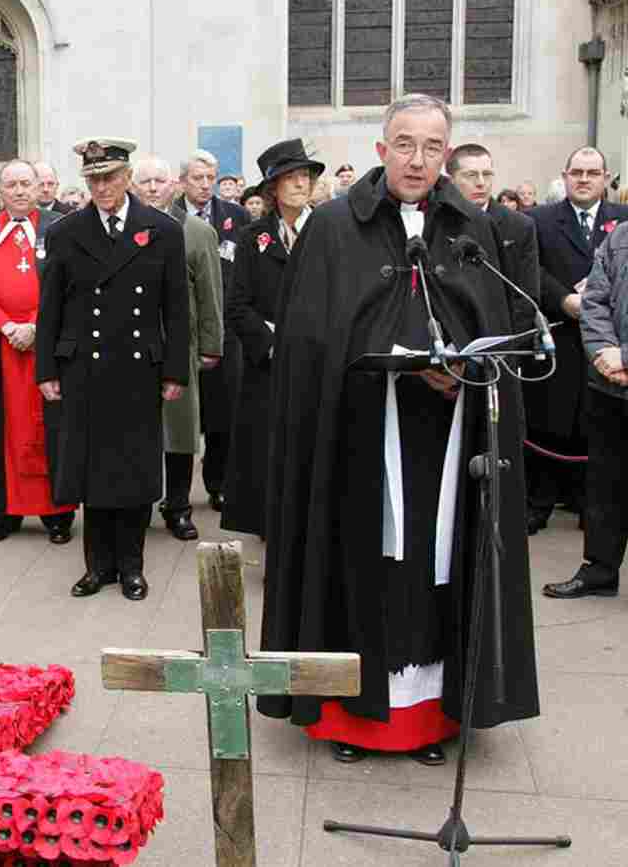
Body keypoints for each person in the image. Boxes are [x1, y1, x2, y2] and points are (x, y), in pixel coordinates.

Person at [259, 94, 539, 766]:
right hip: (354, 440)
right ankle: (348, 718)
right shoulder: (332, 228)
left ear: (448, 153)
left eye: (432, 146)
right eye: (405, 145)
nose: (417, 160)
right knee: (360, 566)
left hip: (444, 437)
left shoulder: (470, 225)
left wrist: (466, 370)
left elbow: (489, 320)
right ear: (382, 150)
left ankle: (426, 716)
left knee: (430, 568)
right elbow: (306, 346)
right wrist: (379, 366)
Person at [36, 137, 190, 601]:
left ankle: (132, 567)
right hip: (84, 368)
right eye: (94, 179)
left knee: (134, 474)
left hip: (140, 368)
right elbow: (51, 310)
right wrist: (47, 369)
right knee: (91, 472)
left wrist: (175, 372)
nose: (102, 187)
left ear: (128, 177)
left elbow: (176, 309)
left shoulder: (161, 230)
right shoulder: (66, 232)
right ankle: (96, 567)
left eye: (110, 177)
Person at [0, 159, 76, 544]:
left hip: (44, 348)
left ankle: (56, 513)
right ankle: (4, 510)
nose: (18, 191)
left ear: (38, 187)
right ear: (0, 190)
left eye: (25, 183)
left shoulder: (60, 229)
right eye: (10, 184)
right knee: (0, 429)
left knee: (51, 428)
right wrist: (6, 326)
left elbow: (68, 288)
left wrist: (35, 326)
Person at [222, 139, 322, 539]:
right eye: (292, 178)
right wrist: (270, 341)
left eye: (306, 177)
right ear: (273, 188)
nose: (301, 184)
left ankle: (312, 528)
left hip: (318, 361)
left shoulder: (329, 229)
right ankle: (272, 528)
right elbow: (238, 303)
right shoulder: (253, 237)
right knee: (268, 450)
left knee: (313, 447)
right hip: (269, 365)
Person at [524, 148, 628, 534]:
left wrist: (600, 299)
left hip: (608, 344)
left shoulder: (623, 221)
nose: (584, 179)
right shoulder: (538, 220)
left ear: (606, 178)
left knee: (596, 427)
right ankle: (539, 503)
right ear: (565, 176)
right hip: (559, 334)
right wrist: (563, 299)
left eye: (593, 173)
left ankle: (590, 506)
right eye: (577, 172)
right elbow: (528, 267)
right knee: (549, 424)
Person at [136, 156, 222, 541]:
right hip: (133, 349)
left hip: (179, 348)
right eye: (145, 181)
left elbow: (209, 293)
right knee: (136, 432)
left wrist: (211, 345)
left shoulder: (198, 232)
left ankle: (179, 505)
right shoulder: (122, 228)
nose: (153, 188)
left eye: (159, 180)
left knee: (181, 431)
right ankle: (137, 503)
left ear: (174, 184)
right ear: (132, 186)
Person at [545, 215, 628, 598]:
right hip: (608, 383)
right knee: (605, 484)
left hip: (618, 365)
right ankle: (600, 568)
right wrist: (603, 354)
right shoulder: (620, 237)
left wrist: (624, 356)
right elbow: (595, 299)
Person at [174, 148, 250, 512]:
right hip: (184, 330)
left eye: (210, 179)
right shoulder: (168, 219)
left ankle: (217, 484)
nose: (205, 186)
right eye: (197, 179)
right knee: (184, 416)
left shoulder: (236, 216)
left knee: (222, 413)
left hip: (226, 329)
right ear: (183, 181)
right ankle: (176, 494)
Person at [446, 144, 541, 350]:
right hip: (452, 346)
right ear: (451, 179)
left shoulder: (520, 226)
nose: (481, 183)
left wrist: (504, 343)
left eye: (487, 174)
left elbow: (526, 294)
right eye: (471, 175)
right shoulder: (438, 221)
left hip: (502, 343)